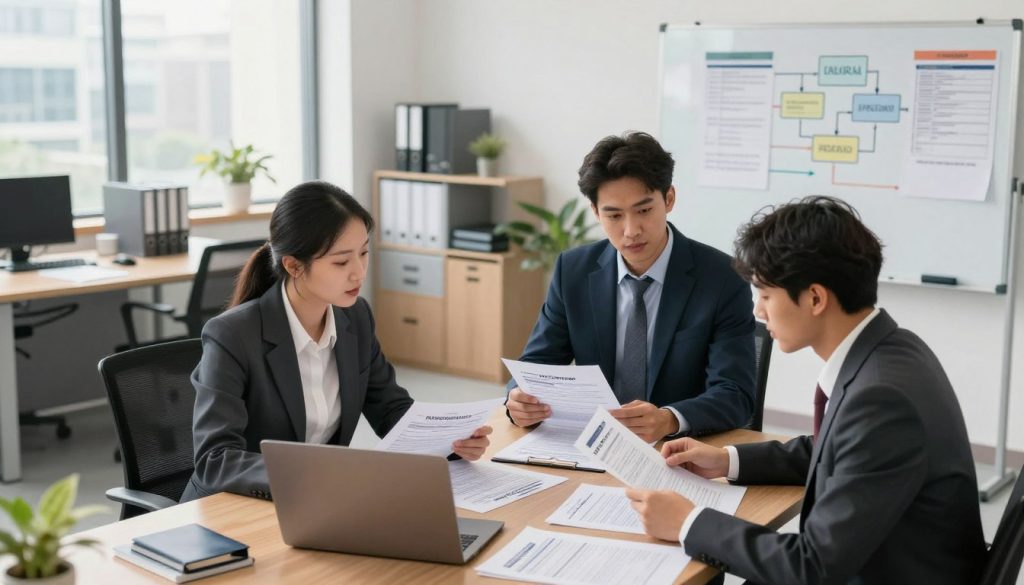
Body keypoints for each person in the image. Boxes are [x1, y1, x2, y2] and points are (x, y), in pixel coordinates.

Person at [625, 196, 986, 585]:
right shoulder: (894, 349)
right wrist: (726, 460)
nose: (758, 312)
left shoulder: (881, 400)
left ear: (815, 298)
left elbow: (813, 568)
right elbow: (836, 451)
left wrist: (687, 523)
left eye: (765, 295)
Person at [181, 181, 491, 502]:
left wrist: (448, 441)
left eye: (364, 253)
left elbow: (390, 409)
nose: (358, 273)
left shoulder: (354, 318)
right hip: (235, 509)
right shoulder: (233, 335)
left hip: (319, 502)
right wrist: (320, 475)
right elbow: (215, 461)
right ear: (294, 265)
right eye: (341, 262)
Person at [506, 131, 756, 441]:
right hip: (593, 446)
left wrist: (668, 419)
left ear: (669, 199)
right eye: (613, 215)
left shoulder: (722, 277)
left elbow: (736, 394)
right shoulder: (573, 271)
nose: (631, 230)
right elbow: (537, 365)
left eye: (644, 210)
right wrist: (517, 399)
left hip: (681, 449)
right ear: (596, 212)